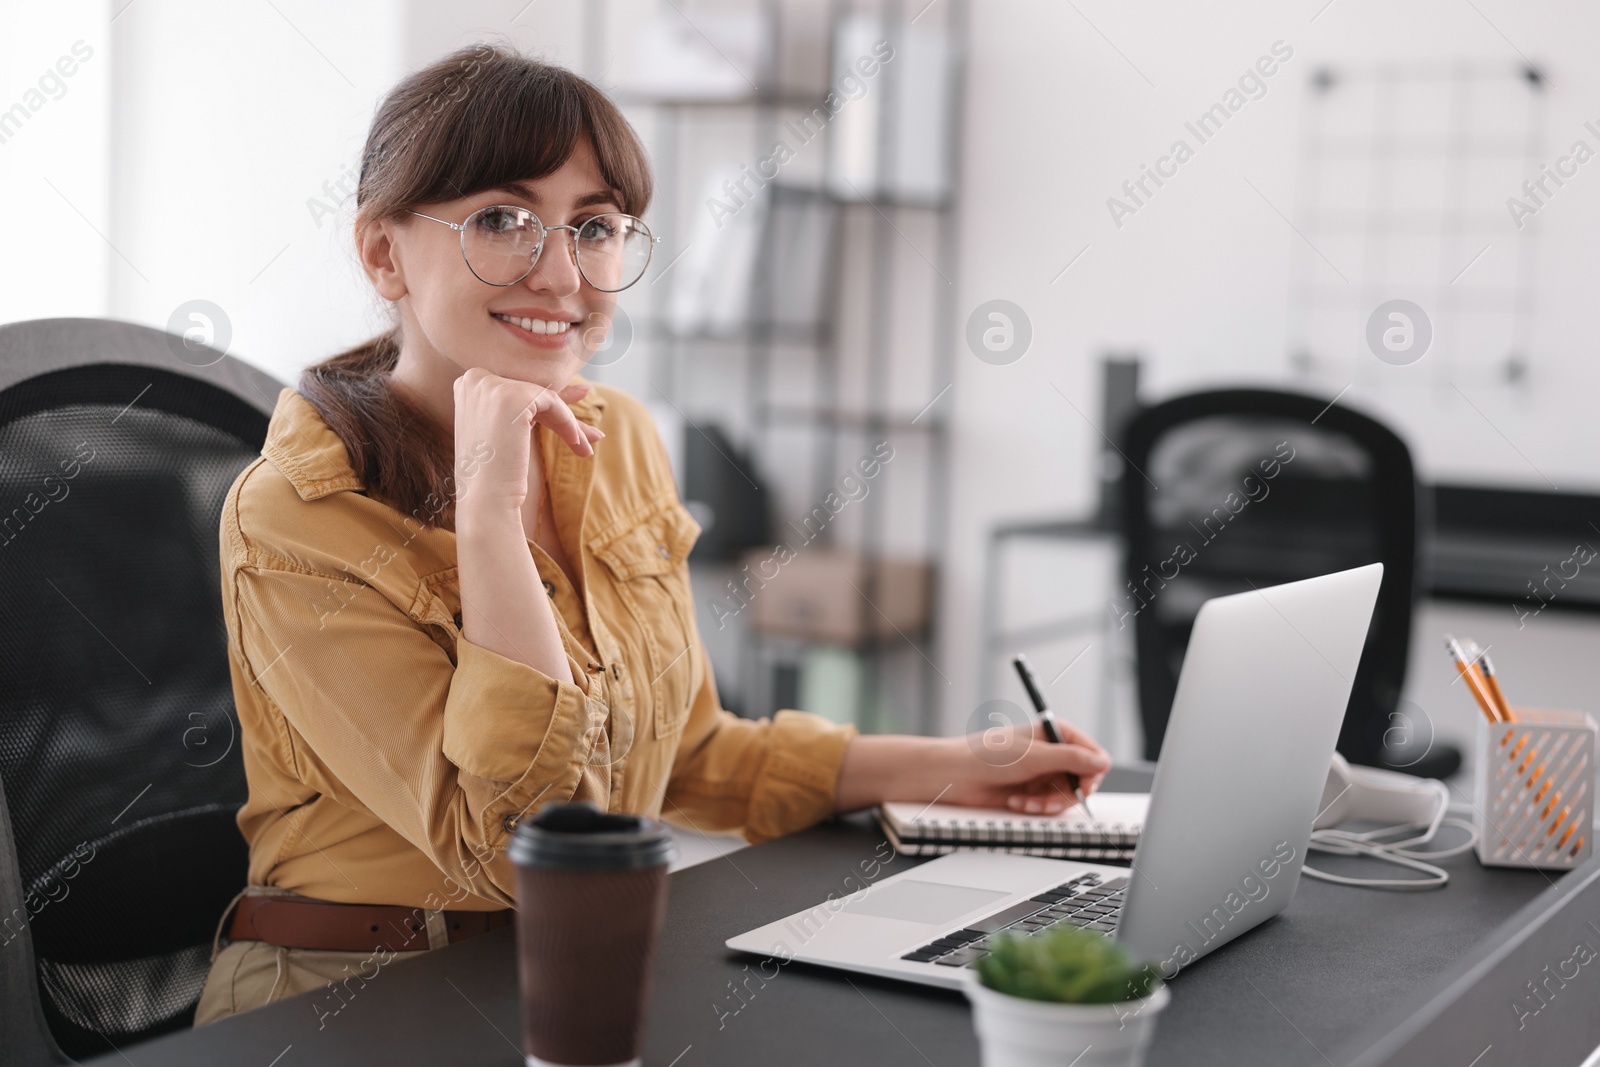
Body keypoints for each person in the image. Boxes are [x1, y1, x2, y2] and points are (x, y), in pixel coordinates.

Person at [194, 43, 1109, 1026]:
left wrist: (955, 764)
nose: (563, 275)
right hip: (353, 1007)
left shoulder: (611, 438)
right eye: (503, 219)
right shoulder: (295, 514)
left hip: (577, 964)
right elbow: (516, 848)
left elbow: (689, 752)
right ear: (383, 254)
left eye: (594, 227)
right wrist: (491, 519)